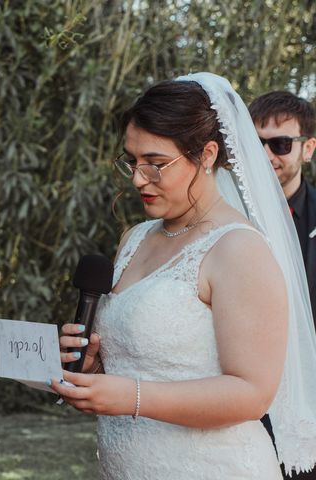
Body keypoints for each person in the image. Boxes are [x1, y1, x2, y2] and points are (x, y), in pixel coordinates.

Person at [51, 73, 316, 479]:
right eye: (132, 161)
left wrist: (130, 396)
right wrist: (92, 368)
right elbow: (142, 361)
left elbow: (251, 394)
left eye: (156, 163)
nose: (139, 178)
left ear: (207, 154)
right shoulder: (134, 239)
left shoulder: (239, 250)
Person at [249, 92, 316, 321]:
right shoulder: (225, 211)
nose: (266, 156)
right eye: (257, 143)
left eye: (281, 144)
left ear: (307, 149)